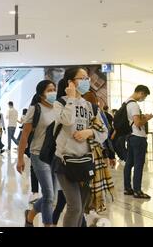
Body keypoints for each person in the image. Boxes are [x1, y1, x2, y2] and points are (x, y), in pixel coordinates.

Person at [52, 67, 108, 227]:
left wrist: (89, 132)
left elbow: (103, 132)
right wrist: (71, 98)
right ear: (71, 82)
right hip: (65, 162)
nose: (86, 82)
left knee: (82, 207)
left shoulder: (91, 107)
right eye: (82, 78)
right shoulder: (60, 103)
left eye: (87, 78)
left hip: (85, 162)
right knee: (74, 207)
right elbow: (67, 121)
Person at [17, 80, 57, 227]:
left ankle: (30, 215)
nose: (53, 92)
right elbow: (24, 136)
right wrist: (20, 158)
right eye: (49, 90)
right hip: (38, 154)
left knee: (53, 197)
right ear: (41, 94)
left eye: (54, 89)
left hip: (55, 156)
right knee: (49, 196)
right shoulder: (35, 109)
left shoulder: (58, 108)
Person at [123, 85, 153, 199]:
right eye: (144, 96)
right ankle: (137, 190)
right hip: (138, 137)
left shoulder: (126, 102)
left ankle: (127, 188)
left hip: (130, 136)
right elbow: (138, 123)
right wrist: (146, 118)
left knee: (129, 163)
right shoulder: (134, 105)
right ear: (141, 92)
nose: (143, 98)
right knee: (139, 165)